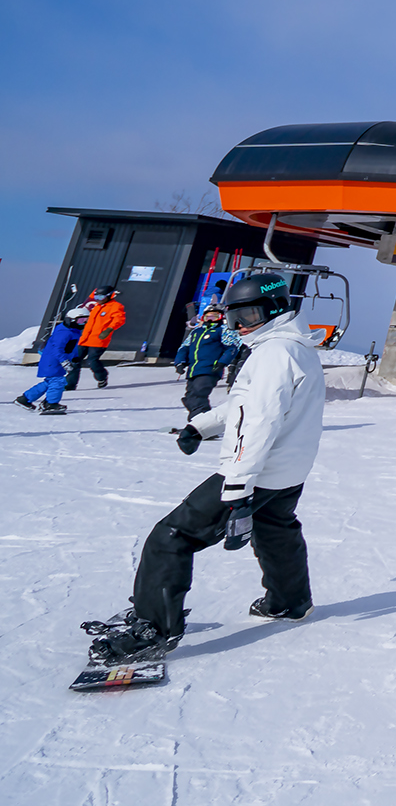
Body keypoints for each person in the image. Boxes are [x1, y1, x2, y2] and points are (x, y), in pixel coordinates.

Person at [82, 273, 322, 665]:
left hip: (254, 471)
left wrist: (239, 487)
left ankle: (153, 631)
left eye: (250, 313)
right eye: (234, 316)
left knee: (171, 537)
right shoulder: (296, 348)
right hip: (287, 469)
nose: (240, 324)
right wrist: (202, 424)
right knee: (276, 527)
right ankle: (290, 601)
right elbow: (251, 405)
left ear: (276, 309)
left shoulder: (273, 354)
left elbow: (256, 421)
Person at [173, 303, 238, 418]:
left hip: (210, 369)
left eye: (215, 316)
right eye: (208, 316)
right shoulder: (196, 332)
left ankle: (198, 423)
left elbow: (231, 348)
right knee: (189, 397)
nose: (211, 319)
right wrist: (180, 362)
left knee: (199, 395)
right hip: (193, 370)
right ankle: (203, 422)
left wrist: (222, 362)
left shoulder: (222, 331)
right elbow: (184, 348)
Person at [18, 309, 83, 414]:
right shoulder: (64, 333)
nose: (83, 323)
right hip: (53, 361)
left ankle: (24, 399)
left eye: (86, 320)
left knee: (49, 382)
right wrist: (64, 361)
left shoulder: (73, 331)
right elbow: (57, 349)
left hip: (55, 360)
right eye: (81, 320)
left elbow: (72, 347)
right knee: (58, 382)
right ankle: (51, 404)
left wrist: (75, 357)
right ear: (71, 320)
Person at [64, 287, 126, 390]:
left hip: (98, 339)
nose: (98, 299)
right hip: (84, 339)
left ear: (109, 296)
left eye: (101, 296)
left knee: (91, 361)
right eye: (96, 296)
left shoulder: (116, 307)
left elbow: (119, 319)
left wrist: (108, 330)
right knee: (74, 361)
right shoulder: (96, 307)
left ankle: (102, 377)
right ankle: (70, 384)